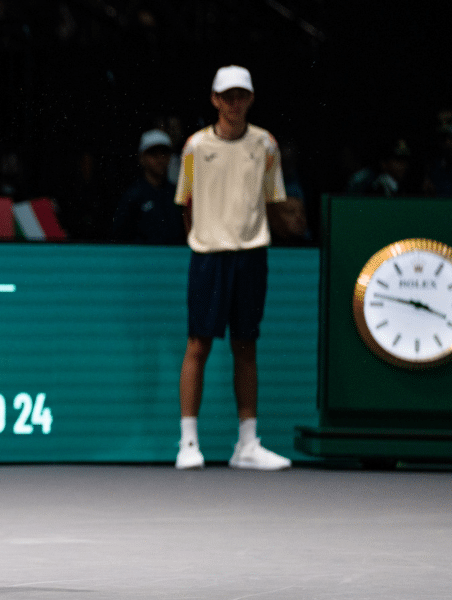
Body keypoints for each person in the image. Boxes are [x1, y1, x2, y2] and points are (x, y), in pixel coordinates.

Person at [173, 65, 291, 471]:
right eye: (227, 96)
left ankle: (247, 445)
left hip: (252, 255)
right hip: (208, 257)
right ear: (214, 99)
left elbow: (273, 201)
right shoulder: (193, 147)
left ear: (251, 99)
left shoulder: (267, 145)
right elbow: (185, 205)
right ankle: (188, 443)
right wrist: (206, 239)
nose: (234, 103)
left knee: (246, 346)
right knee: (198, 346)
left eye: (241, 95)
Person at [112, 128, 184, 244]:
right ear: (142, 158)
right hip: (141, 259)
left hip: (173, 258)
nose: (160, 159)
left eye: (164, 153)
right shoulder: (133, 196)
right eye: (153, 154)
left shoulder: (177, 193)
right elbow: (120, 236)